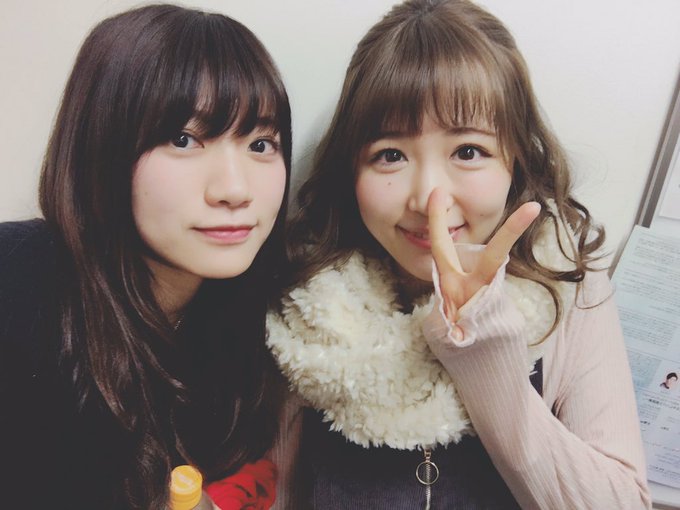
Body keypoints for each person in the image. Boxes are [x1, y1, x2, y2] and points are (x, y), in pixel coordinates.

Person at [267, 0, 651, 508]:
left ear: (515, 161)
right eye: (390, 154)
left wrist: (484, 347)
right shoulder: (309, 305)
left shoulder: (566, 283)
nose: (430, 199)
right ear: (351, 169)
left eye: (468, 151)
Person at [0, 5, 291, 509]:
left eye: (261, 144)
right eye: (184, 139)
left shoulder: (259, 319)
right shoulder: (17, 283)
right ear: (103, 145)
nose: (235, 189)